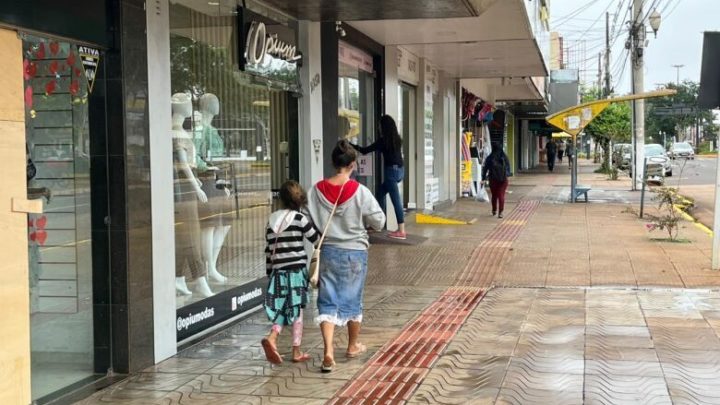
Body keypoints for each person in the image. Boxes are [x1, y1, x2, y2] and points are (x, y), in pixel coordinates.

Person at [307, 140, 386, 373]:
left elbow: (308, 221)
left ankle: (328, 351)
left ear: (333, 163)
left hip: (329, 251)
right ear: (352, 165)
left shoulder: (316, 190)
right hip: (355, 253)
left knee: (327, 300)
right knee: (353, 300)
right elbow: (379, 222)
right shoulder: (360, 192)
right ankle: (352, 346)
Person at [261, 180, 320, 365]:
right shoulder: (299, 218)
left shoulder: (271, 221)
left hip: (278, 273)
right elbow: (316, 240)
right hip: (296, 272)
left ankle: (273, 337)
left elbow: (269, 251)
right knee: (296, 311)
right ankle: (295, 351)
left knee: (283, 307)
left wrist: (270, 274)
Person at [351, 115, 406, 239]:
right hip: (400, 171)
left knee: (395, 200)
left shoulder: (383, 141)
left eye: (379, 125)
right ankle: (377, 224)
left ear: (383, 127)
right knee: (380, 193)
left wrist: (350, 144)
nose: (378, 127)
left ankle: (401, 231)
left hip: (391, 172)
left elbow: (364, 150)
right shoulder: (397, 139)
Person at [481, 142, 512, 218]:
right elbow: (508, 169)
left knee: (494, 195)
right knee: (501, 195)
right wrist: (506, 175)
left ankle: (494, 210)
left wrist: (483, 178)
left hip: (493, 179)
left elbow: (485, 169)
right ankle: (500, 212)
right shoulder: (504, 157)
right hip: (503, 180)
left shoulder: (490, 157)